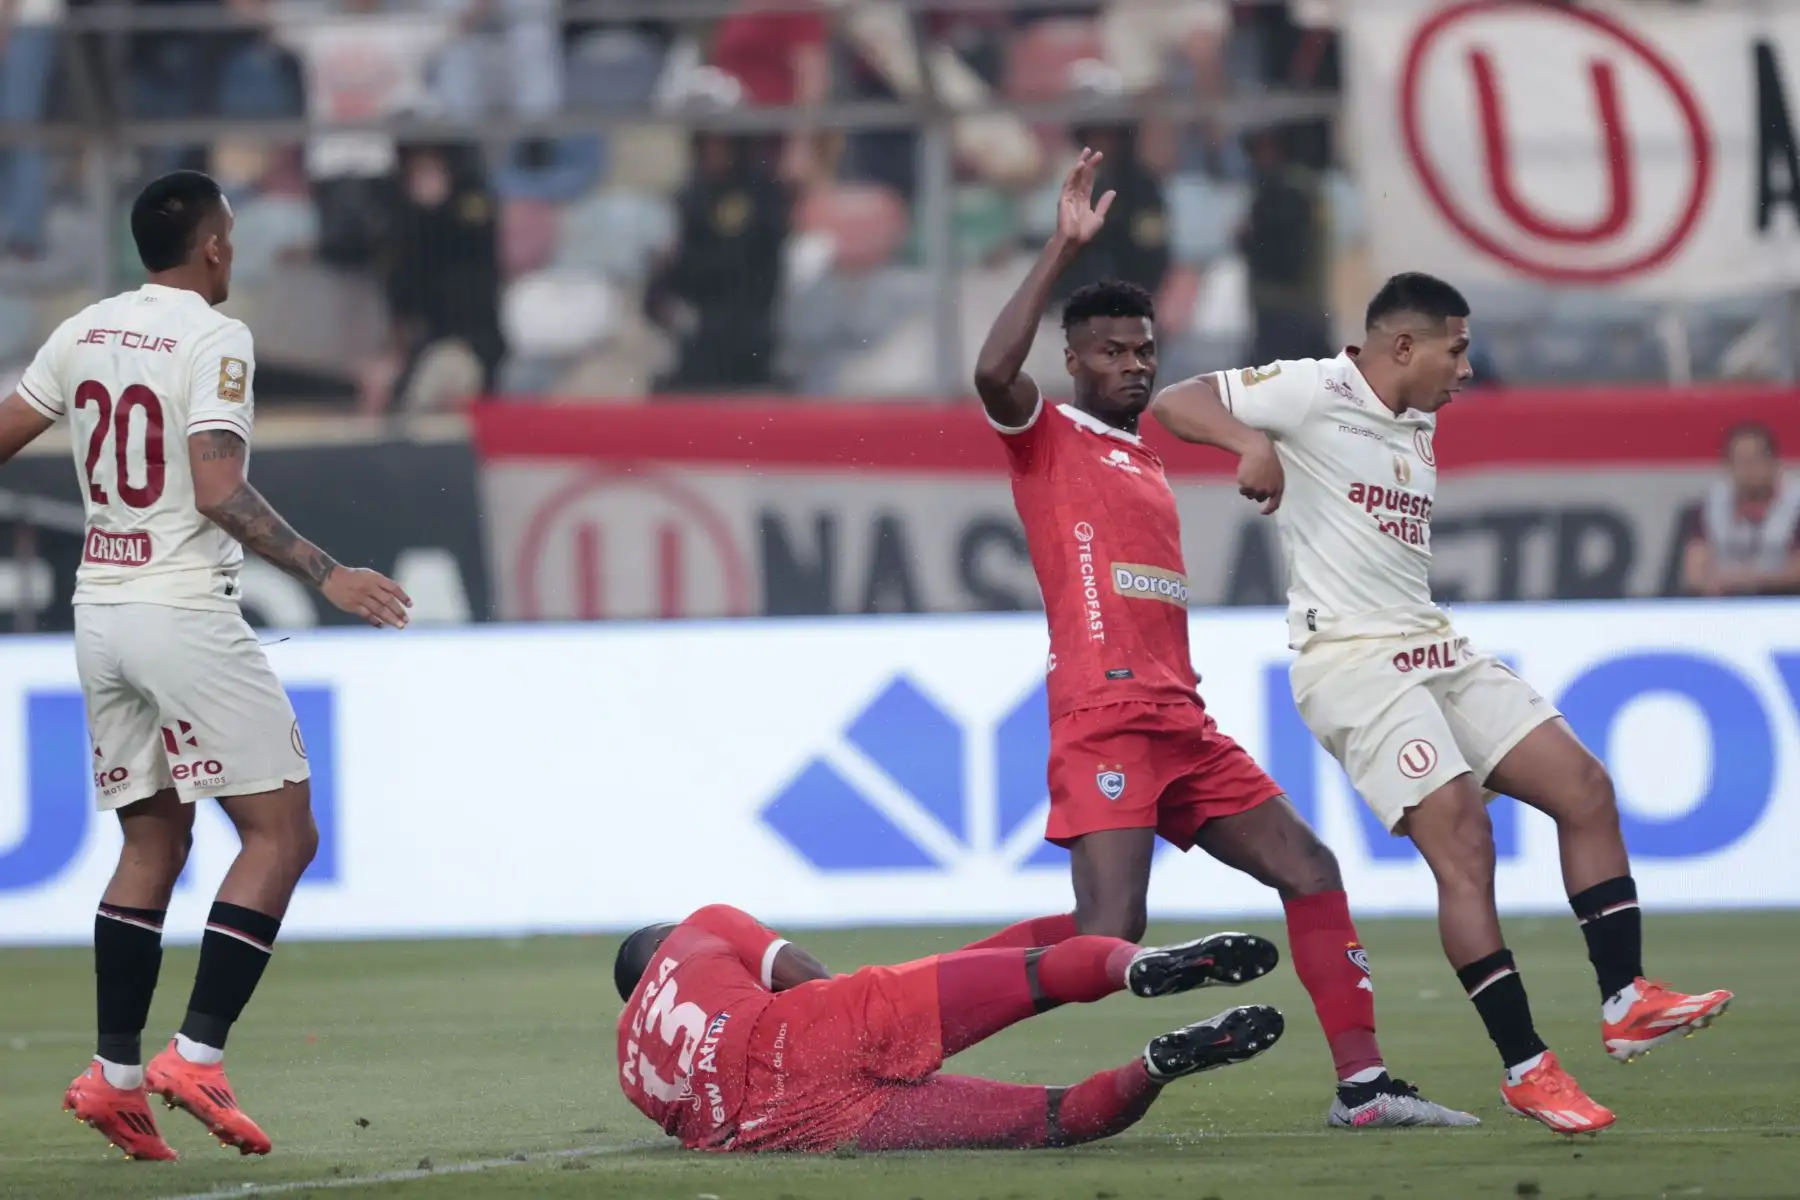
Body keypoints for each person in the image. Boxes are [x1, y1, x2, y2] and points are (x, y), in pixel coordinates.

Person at [1149, 270, 1734, 1136]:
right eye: (1456, 351)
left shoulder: (1418, 416)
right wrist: (1249, 444)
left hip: (1434, 646)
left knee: (1584, 788)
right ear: (1402, 346)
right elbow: (1175, 399)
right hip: (1352, 662)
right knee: (1465, 841)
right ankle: (1528, 1068)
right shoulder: (1314, 387)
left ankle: (1626, 999)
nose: (1467, 369)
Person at [971, 150, 1472, 1130]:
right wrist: (1061, 248)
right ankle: (909, 1007)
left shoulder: (1146, 462)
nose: (1133, 364)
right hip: (1107, 718)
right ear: (1074, 362)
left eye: (1143, 349)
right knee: (1107, 933)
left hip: (1181, 723)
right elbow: (992, 372)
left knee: (1310, 869)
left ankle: (1364, 1089)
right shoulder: (1048, 440)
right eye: (1110, 352)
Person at [0, 170, 413, 1161]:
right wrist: (328, 573)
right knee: (283, 833)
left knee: (153, 843)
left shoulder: (85, 328)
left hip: (101, 613)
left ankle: (114, 1077)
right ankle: (196, 1056)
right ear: (215, 245)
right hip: (182, 609)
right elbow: (218, 489)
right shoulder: (216, 338)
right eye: (231, 230)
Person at [615, 905, 1284, 1152]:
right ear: (666, 943)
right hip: (807, 1027)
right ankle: (1135, 967)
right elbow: (806, 974)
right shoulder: (700, 927)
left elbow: (695, 1121)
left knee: (1060, 1121)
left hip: (794, 1125)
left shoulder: (627, 1065)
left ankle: (1156, 1066)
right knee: (1037, 975)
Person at [1677, 422, 1800, 597]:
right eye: (1740, 461)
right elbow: (1694, 572)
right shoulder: (1710, 507)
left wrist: (1747, 579)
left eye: (1755, 460)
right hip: (1726, 602)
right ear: (1727, 466)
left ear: (1774, 462)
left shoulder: (1794, 504)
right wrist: (1712, 583)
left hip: (1785, 601)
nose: (1748, 469)